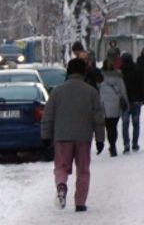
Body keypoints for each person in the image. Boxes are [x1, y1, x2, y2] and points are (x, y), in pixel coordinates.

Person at [42, 58, 105, 212]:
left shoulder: (57, 91)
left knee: (61, 167)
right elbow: (98, 117)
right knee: (83, 169)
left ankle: (61, 185)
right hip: (83, 136)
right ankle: (80, 202)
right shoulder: (91, 92)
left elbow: (48, 115)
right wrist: (100, 139)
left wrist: (45, 136)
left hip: (62, 136)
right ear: (84, 72)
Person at [98, 57, 128, 157]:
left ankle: (112, 144)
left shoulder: (100, 77)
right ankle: (113, 144)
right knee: (114, 126)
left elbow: (97, 91)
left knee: (108, 126)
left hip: (105, 105)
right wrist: (125, 102)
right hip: (116, 104)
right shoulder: (118, 76)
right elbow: (123, 90)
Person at [119, 52, 144, 153]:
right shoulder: (137, 70)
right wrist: (143, 98)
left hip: (125, 102)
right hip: (136, 100)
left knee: (125, 124)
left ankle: (126, 144)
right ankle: (135, 143)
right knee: (136, 123)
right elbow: (142, 85)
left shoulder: (120, 72)